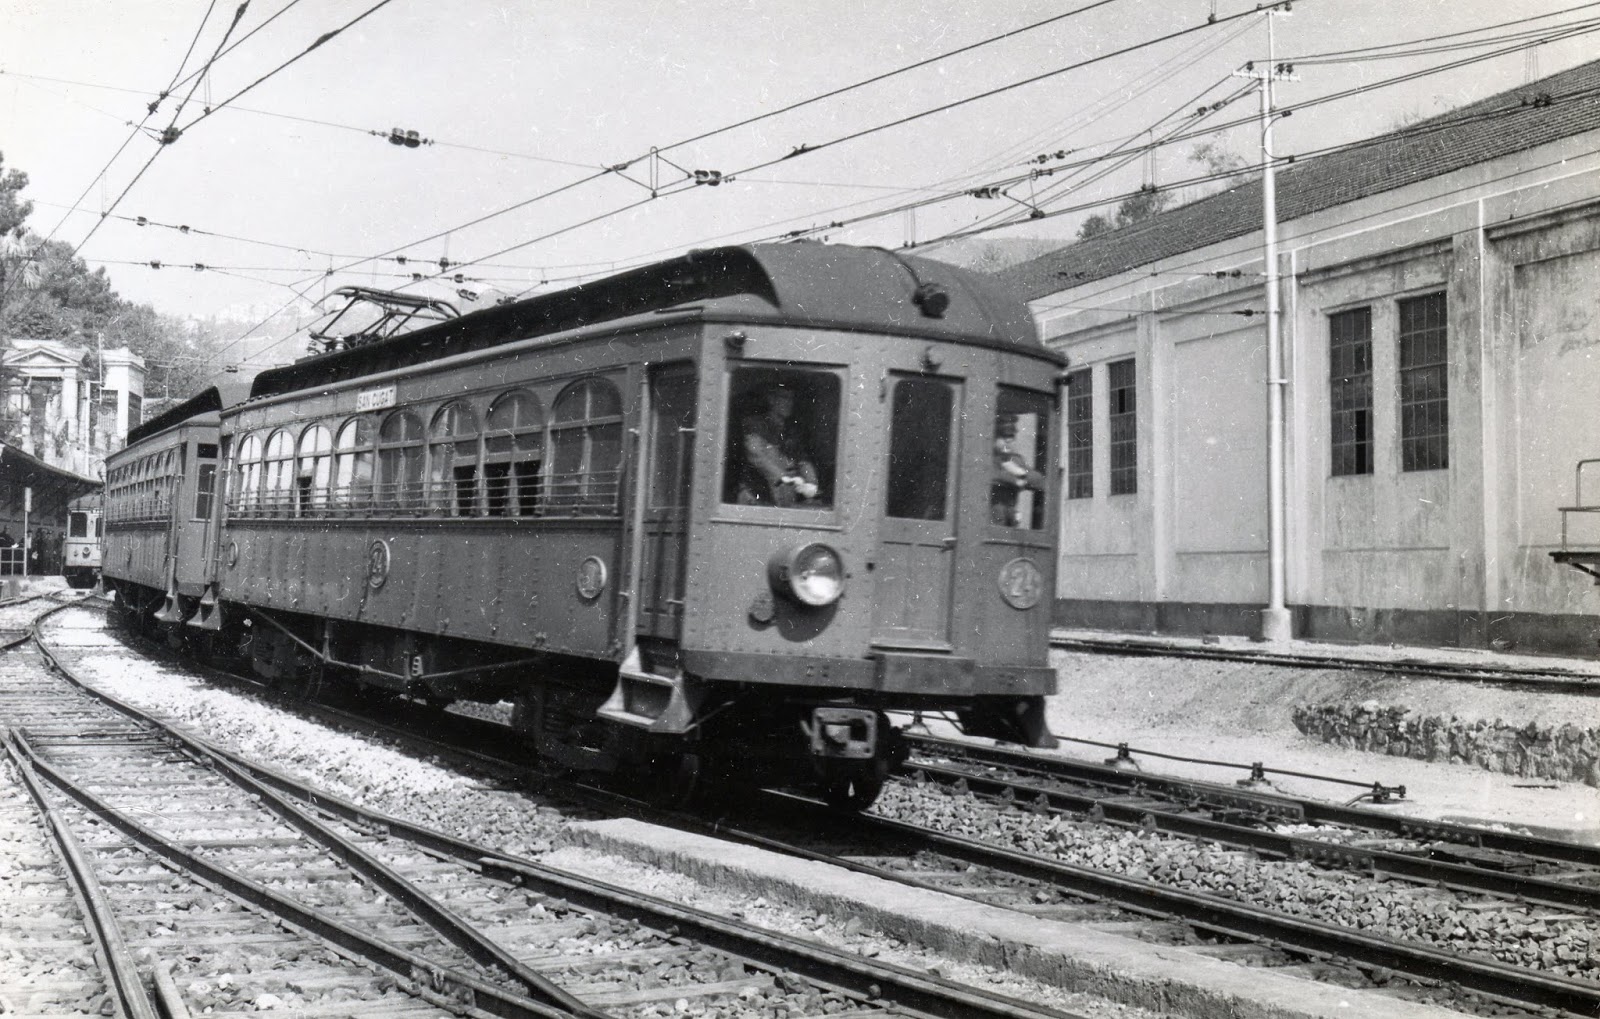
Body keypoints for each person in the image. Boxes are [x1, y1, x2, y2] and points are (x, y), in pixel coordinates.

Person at [737, 383, 820, 507]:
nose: (789, 403)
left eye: (791, 399)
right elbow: (757, 456)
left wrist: (811, 482)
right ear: (771, 400)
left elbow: (803, 459)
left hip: (784, 499)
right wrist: (784, 478)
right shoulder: (755, 424)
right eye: (784, 398)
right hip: (757, 500)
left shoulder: (792, 431)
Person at [991, 415, 1044, 526]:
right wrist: (1015, 478)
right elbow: (990, 475)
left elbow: (1039, 481)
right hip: (990, 522)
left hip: (1010, 521)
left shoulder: (1015, 459)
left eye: (1012, 437)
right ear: (993, 438)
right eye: (1004, 436)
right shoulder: (985, 457)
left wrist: (1021, 473)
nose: (1008, 441)